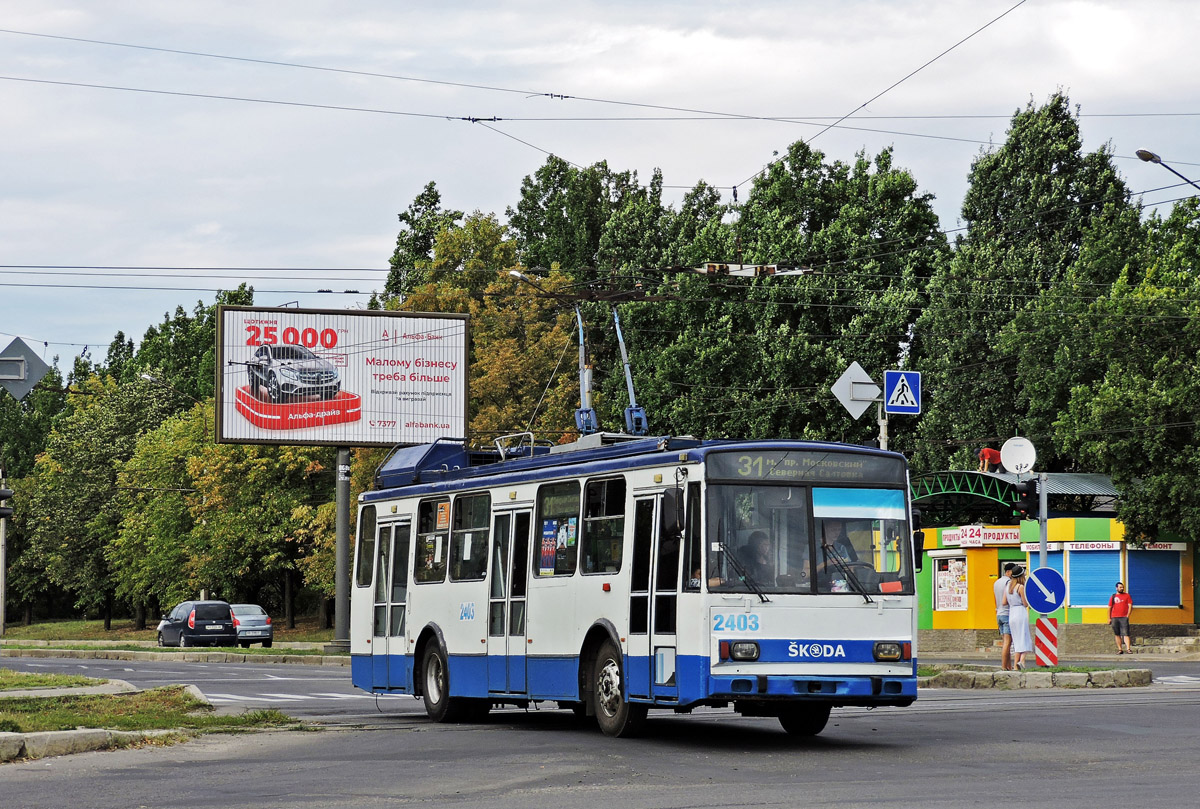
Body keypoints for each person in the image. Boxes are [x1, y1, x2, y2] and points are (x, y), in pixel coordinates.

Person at [1005, 565, 1033, 670]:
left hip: (1012, 613)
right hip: (1020, 612)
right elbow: (1025, 604)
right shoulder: (1020, 587)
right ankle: (1022, 661)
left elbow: (1004, 602)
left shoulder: (1007, 587)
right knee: (1024, 638)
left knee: (1017, 639)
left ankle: (1016, 665)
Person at [994, 562, 1016, 670]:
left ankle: (1008, 667)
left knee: (1005, 642)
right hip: (1007, 614)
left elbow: (995, 600)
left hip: (999, 614)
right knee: (1007, 642)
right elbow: (1008, 599)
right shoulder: (1009, 582)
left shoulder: (996, 582)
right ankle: (1004, 667)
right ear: (1008, 572)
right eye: (1013, 571)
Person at [1109, 581, 1134, 654]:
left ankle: (1128, 649)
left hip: (1124, 617)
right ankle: (1120, 649)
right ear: (1116, 588)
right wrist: (1109, 618)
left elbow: (1130, 606)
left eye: (1122, 587)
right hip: (1114, 617)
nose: (1121, 588)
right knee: (1117, 634)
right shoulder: (1113, 596)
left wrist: (1127, 615)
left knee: (1126, 633)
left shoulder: (1127, 596)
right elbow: (1109, 608)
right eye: (1120, 587)